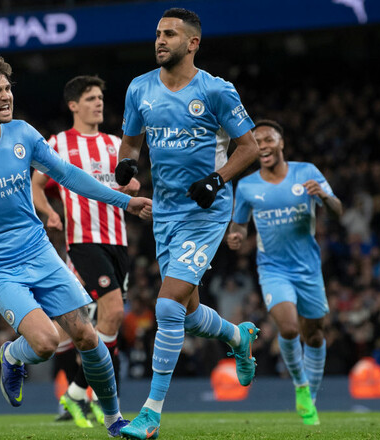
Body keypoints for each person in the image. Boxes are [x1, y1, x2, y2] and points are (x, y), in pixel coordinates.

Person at [0, 55, 151, 437]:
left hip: (40, 251)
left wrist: (125, 201)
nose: (6, 96)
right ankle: (11, 354)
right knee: (45, 342)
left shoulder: (22, 133)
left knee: (88, 336)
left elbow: (68, 175)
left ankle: (114, 421)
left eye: (8, 88)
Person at [114, 8, 260, 439]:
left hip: (206, 213)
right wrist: (127, 165)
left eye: (170, 34)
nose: (160, 40)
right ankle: (238, 338)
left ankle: (150, 414)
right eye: (158, 34)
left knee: (166, 305)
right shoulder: (139, 88)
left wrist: (217, 180)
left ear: (193, 43)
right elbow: (130, 142)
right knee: (189, 314)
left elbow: (249, 147)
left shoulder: (216, 90)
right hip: (165, 213)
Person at [31, 75, 141, 428]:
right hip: (82, 242)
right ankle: (82, 396)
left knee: (105, 323)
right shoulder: (58, 144)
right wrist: (48, 212)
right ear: (74, 105)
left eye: (100, 97)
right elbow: (35, 186)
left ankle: (80, 395)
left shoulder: (115, 144)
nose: (99, 103)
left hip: (118, 242)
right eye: (91, 98)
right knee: (106, 314)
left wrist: (131, 185)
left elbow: (129, 182)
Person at [226, 119, 343, 425]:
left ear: (281, 143)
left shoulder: (306, 172)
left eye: (268, 139)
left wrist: (325, 197)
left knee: (314, 335)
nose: (263, 146)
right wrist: (236, 235)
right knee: (289, 329)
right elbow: (239, 223)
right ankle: (300, 386)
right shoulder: (248, 185)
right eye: (257, 141)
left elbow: (337, 210)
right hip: (273, 269)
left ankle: (311, 397)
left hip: (308, 269)